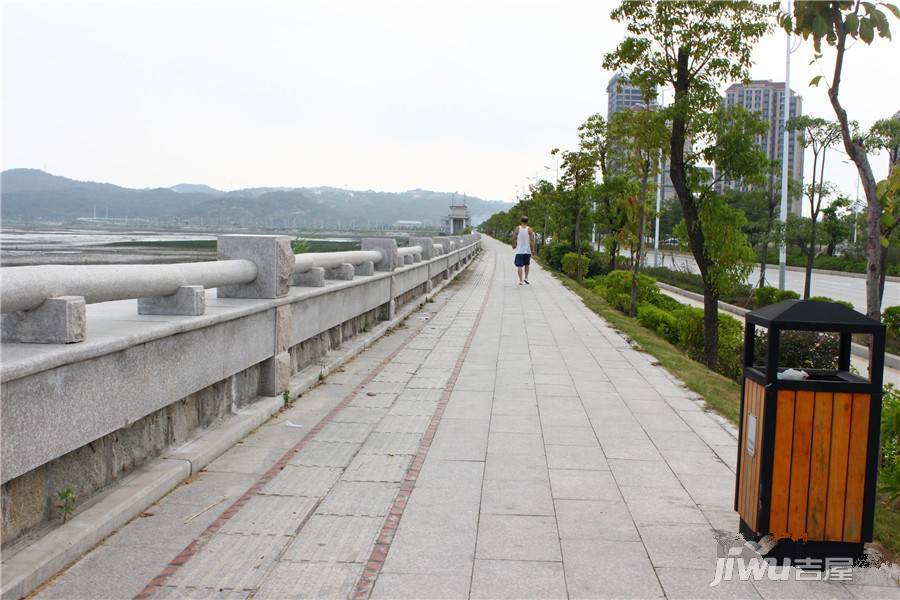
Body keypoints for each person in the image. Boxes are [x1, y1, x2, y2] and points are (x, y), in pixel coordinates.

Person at [511, 215, 536, 285]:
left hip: (519, 251)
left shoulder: (517, 228)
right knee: (527, 265)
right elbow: (532, 241)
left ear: (521, 221)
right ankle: (526, 278)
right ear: (527, 222)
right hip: (527, 251)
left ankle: (521, 280)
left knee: (519, 266)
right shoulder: (530, 229)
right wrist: (533, 250)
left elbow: (513, 237)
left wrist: (513, 244)